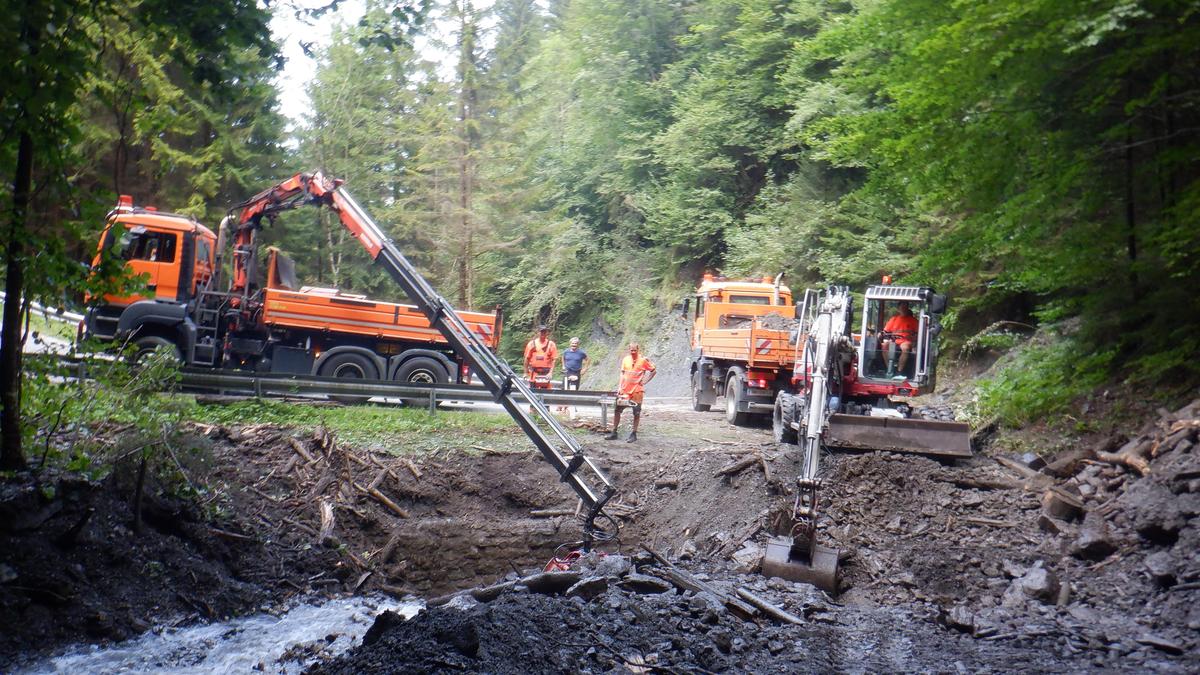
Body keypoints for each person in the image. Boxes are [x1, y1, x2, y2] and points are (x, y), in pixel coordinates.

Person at [605, 342, 656, 443]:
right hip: (625, 390)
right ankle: (614, 431)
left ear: (638, 350)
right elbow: (622, 373)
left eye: (634, 350)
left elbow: (653, 370)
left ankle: (634, 433)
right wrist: (619, 386)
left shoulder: (643, 361)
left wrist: (645, 381)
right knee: (617, 410)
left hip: (637, 391)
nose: (633, 352)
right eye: (631, 350)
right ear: (629, 350)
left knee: (636, 412)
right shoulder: (626, 360)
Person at [881, 301, 919, 379]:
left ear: (908, 308)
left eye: (905, 307)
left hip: (905, 341)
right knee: (884, 345)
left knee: (905, 348)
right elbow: (886, 331)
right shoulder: (893, 319)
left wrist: (913, 338)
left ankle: (899, 371)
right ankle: (889, 369)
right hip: (894, 341)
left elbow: (918, 334)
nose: (903, 308)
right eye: (902, 307)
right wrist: (881, 334)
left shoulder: (913, 321)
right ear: (899, 308)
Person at [523, 324, 558, 390]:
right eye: (541, 331)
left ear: (547, 333)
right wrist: (525, 372)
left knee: (546, 393)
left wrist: (550, 373)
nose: (543, 333)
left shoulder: (551, 344)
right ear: (538, 332)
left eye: (544, 332)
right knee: (533, 392)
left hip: (546, 374)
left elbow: (554, 360)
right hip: (534, 373)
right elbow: (526, 358)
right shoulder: (531, 344)